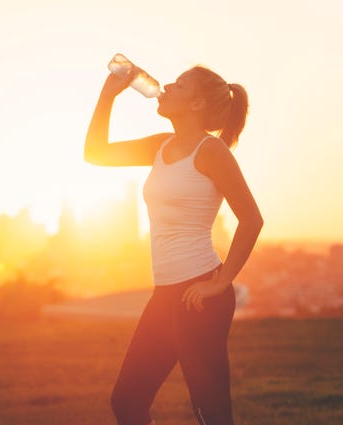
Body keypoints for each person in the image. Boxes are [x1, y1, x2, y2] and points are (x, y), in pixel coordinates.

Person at [84, 64, 263, 425]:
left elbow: (251, 219)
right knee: (127, 401)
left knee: (210, 413)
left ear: (196, 103)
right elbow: (96, 153)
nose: (166, 85)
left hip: (199, 295)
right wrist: (107, 95)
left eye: (179, 84)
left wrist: (221, 281)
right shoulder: (159, 146)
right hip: (165, 294)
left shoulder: (211, 151)